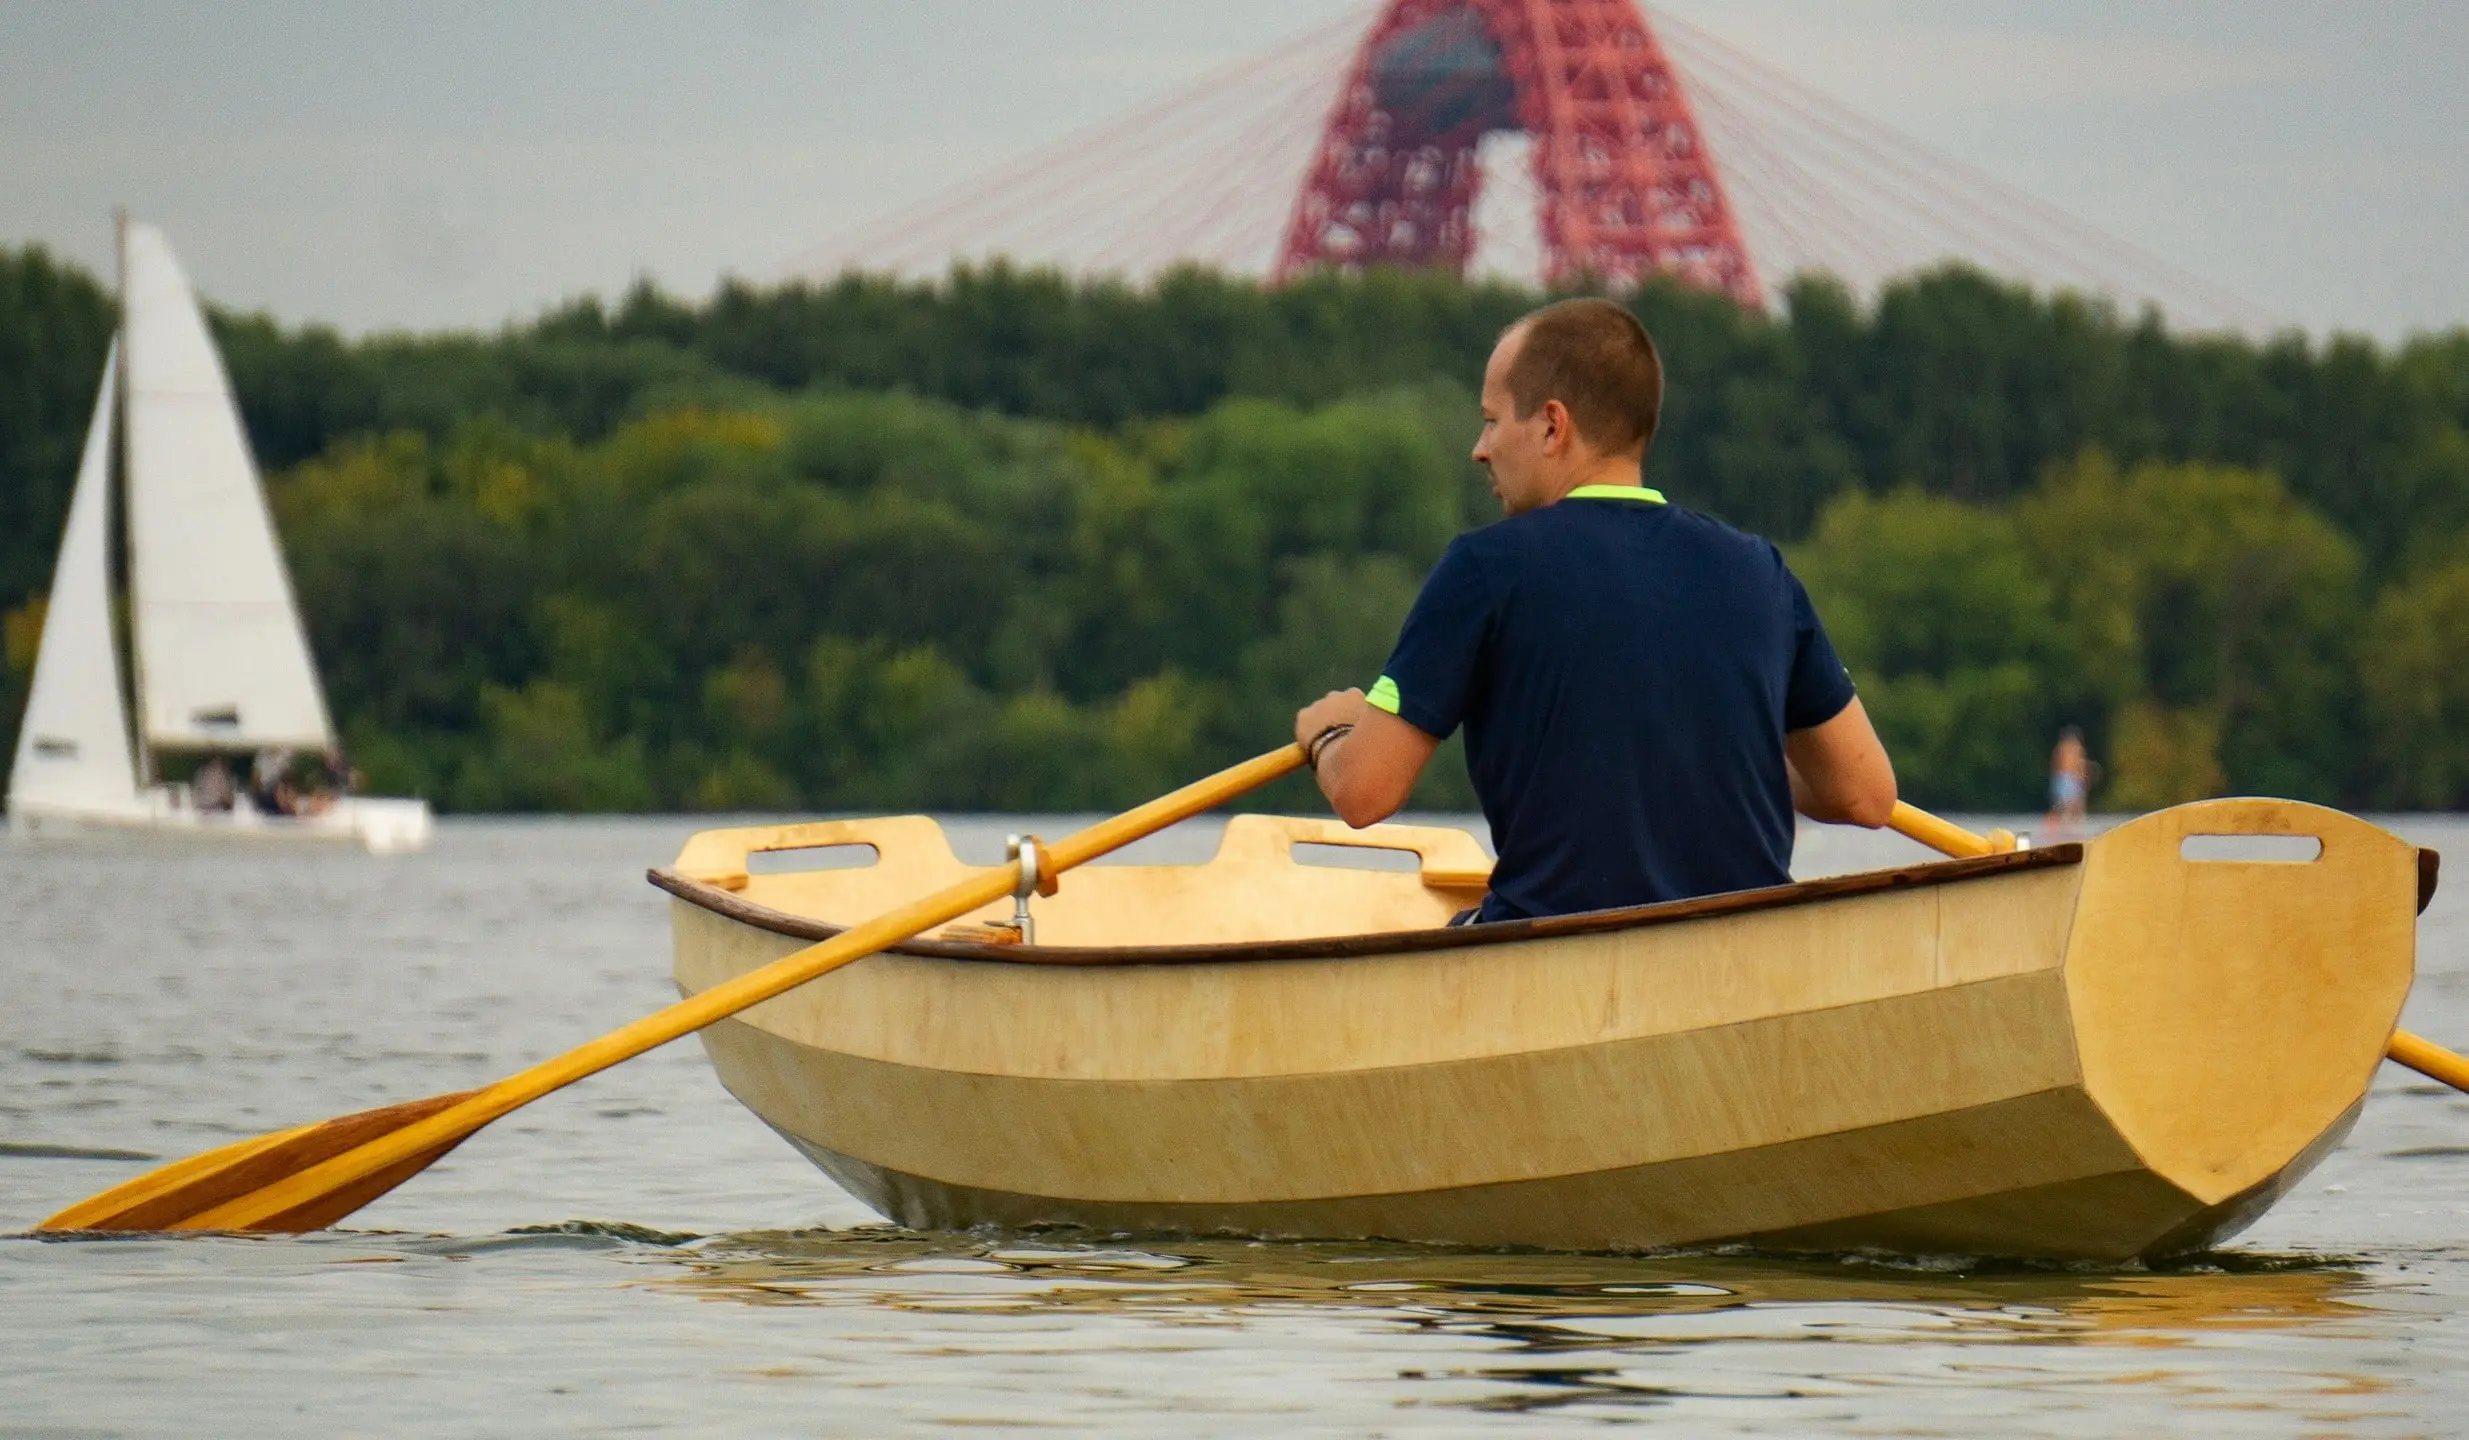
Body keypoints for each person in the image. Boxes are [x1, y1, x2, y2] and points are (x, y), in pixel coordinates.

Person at [1292, 298, 1896, 922]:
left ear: (1553, 426)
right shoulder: (1760, 571)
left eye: (1492, 421)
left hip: (1550, 956)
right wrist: (1717, 774)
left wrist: (1332, 734)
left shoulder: (1485, 568)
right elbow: (1865, 795)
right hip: (1739, 958)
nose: (1480, 448)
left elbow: (1365, 791)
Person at [2044, 726, 2099, 839]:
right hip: (2067, 780)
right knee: (2065, 807)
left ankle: (2064, 829)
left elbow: (2056, 766)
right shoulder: (2072, 749)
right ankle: (2054, 829)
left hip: (2068, 780)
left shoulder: (2061, 749)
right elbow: (2077, 767)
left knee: (2068, 807)